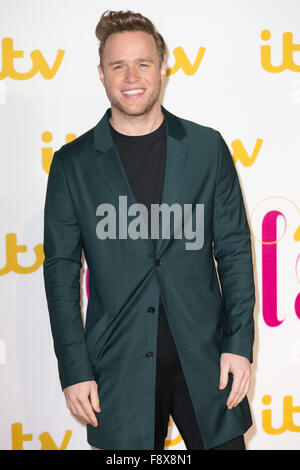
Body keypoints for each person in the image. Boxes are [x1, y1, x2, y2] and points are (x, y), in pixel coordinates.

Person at [43, 10, 256, 451]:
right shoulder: (72, 164)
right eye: (118, 65)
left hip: (207, 359)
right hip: (117, 368)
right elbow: (60, 274)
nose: (131, 76)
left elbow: (234, 250)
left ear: (163, 66)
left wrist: (239, 342)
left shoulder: (206, 148)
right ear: (101, 75)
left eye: (142, 62)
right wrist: (74, 367)